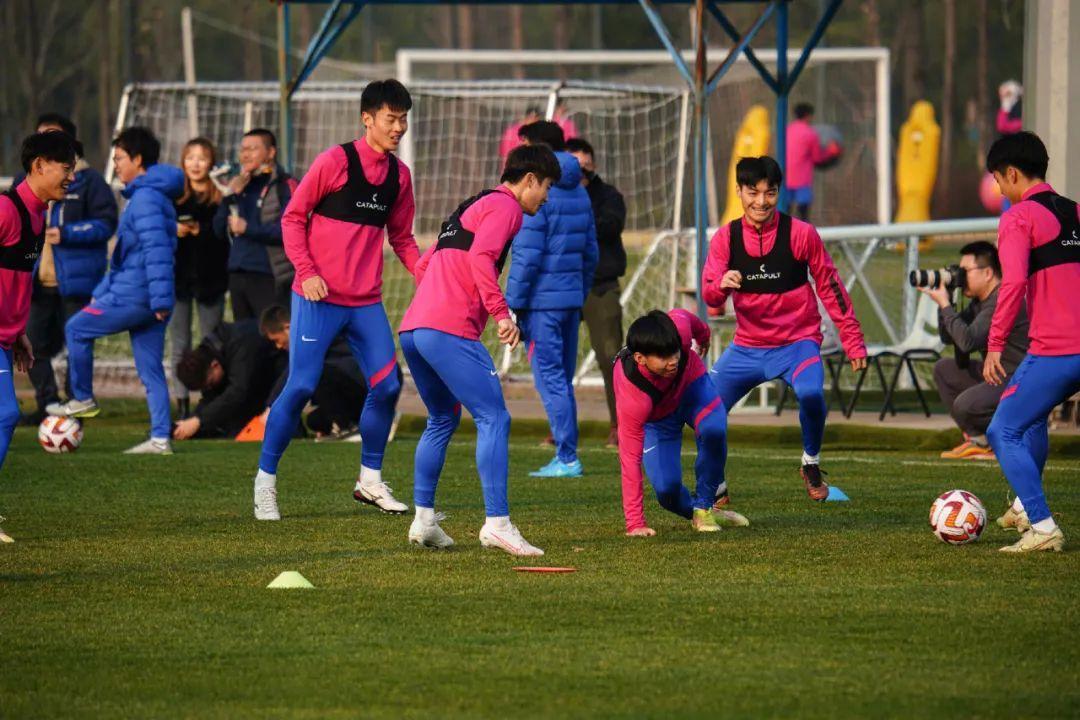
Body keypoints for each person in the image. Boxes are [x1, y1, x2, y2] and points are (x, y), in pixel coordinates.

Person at [253, 79, 418, 521]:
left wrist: (428, 274)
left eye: (403, 119)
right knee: (301, 386)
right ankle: (265, 482)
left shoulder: (400, 177)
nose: (399, 128)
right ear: (367, 119)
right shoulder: (335, 162)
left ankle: (370, 480)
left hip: (365, 303)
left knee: (387, 385)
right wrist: (306, 272)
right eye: (391, 119)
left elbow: (402, 238)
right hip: (317, 299)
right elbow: (292, 217)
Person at [398, 144, 560, 556]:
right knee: (495, 417)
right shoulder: (507, 208)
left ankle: (424, 521)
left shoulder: (472, 205)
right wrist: (501, 314)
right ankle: (497, 524)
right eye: (546, 187)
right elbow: (482, 258)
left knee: (441, 418)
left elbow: (423, 267)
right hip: (447, 330)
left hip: (414, 329)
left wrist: (438, 301)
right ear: (529, 180)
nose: (546, 197)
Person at [702, 156, 867, 501]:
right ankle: (715, 485)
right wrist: (721, 285)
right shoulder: (725, 238)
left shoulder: (801, 234)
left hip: (797, 344)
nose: (761, 201)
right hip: (747, 347)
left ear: (779, 192)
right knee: (704, 410)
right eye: (753, 192)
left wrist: (853, 340)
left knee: (811, 395)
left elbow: (830, 287)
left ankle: (810, 462)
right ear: (739, 191)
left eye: (770, 192)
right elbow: (709, 294)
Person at [49, 127, 183, 455]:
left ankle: (82, 398)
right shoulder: (148, 195)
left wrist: (159, 299)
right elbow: (128, 254)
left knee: (76, 328)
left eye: (120, 158)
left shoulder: (146, 199)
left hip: (137, 295)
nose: (116, 164)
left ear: (138, 159)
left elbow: (157, 251)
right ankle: (160, 439)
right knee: (151, 369)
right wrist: (104, 289)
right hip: (146, 296)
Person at [983, 131, 1080, 553]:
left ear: (1011, 174)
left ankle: (1042, 526)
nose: (999, 190)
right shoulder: (1075, 210)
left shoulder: (1018, 217)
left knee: (1002, 429)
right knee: (1034, 417)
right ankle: (1024, 506)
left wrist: (995, 342)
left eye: (997, 180)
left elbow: (1013, 282)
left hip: (1056, 350)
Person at [506, 121, 597, 478]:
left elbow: (527, 255)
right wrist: (579, 293)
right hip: (570, 301)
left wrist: (513, 305)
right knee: (563, 378)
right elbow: (590, 252)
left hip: (542, 304)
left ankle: (567, 457)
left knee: (550, 379)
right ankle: (567, 453)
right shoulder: (580, 190)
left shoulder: (538, 190)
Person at [0, 131, 79, 542]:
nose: (72, 178)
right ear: (39, 166)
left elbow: (15, 281)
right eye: (67, 169)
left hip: (5, 337)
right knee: (5, 415)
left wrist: (18, 333)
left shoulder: (38, 214)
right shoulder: (6, 210)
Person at [17, 114, 117, 426]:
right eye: (41, 137)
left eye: (54, 137)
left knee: (77, 345)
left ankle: (76, 405)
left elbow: (106, 224)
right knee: (32, 344)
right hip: (40, 282)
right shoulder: (22, 189)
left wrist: (69, 233)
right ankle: (47, 404)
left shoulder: (90, 182)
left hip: (77, 282)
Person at [615, 309, 748, 537]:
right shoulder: (632, 394)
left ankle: (705, 506)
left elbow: (686, 317)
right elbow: (630, 458)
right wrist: (635, 523)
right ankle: (697, 511)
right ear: (640, 359)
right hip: (659, 420)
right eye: (663, 357)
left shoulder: (679, 331)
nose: (673, 361)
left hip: (693, 391)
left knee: (714, 429)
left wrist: (704, 337)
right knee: (667, 491)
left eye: (675, 352)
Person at [927, 241, 1029, 461]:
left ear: (988, 273)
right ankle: (980, 441)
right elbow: (949, 337)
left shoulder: (1002, 299)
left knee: (965, 405)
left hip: (1019, 379)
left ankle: (1007, 438)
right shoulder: (979, 302)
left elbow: (967, 342)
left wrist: (945, 305)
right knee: (944, 369)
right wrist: (946, 302)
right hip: (996, 374)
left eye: (965, 271)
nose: (960, 277)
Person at [260, 304, 402, 441]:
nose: (278, 346)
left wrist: (272, 406)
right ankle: (375, 421)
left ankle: (348, 428)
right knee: (315, 420)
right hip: (366, 383)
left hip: (380, 380)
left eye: (277, 340)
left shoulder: (313, 331)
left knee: (316, 372)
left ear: (288, 328)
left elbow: (298, 369)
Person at [566, 137, 627, 448]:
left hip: (600, 286)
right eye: (574, 165)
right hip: (564, 285)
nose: (581, 171)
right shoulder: (554, 196)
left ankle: (621, 425)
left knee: (610, 357)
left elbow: (610, 226)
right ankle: (562, 427)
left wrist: (577, 213)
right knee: (558, 360)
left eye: (585, 165)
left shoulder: (609, 196)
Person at [171, 137, 228, 420]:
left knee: (212, 343)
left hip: (211, 280)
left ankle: (210, 401)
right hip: (178, 280)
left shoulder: (221, 197)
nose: (195, 164)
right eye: (190, 157)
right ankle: (181, 404)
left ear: (211, 163)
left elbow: (224, 237)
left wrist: (201, 231)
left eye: (202, 158)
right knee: (179, 343)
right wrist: (174, 229)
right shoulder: (174, 196)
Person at [212, 128, 296, 321]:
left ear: (271, 152)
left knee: (273, 335)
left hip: (270, 276)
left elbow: (289, 232)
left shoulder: (284, 185)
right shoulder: (238, 185)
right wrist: (229, 195)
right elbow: (218, 229)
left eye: (252, 149)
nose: (245, 154)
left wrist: (248, 229)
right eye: (243, 149)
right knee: (245, 335)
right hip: (237, 274)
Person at [173, 320, 282, 440]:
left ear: (215, 365)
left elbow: (238, 392)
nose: (209, 389)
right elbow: (210, 397)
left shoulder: (240, 346)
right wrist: (190, 422)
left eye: (210, 383)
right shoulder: (209, 355)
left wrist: (199, 421)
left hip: (277, 378)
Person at [785, 103, 840, 221]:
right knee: (803, 213)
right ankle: (802, 231)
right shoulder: (810, 134)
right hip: (801, 179)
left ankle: (783, 231)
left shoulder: (787, 130)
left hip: (786, 177)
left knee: (785, 210)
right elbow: (817, 158)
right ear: (808, 115)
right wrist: (831, 151)